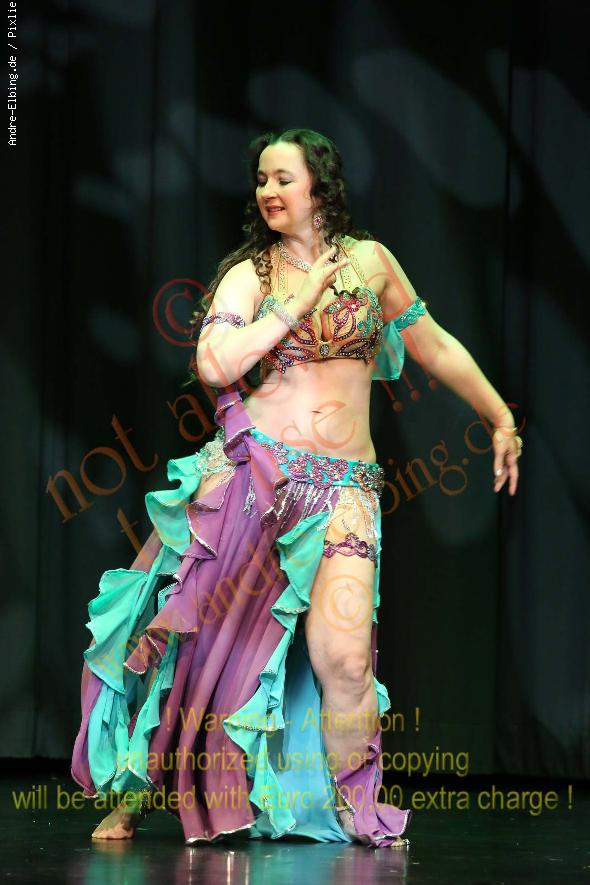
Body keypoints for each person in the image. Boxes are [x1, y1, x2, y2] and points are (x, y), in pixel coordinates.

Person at [71, 128, 522, 849]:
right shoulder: (252, 273)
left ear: (321, 184)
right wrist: (296, 301)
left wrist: (499, 417)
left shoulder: (372, 263)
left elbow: (432, 342)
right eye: (261, 180)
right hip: (257, 481)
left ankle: (357, 809)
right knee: (191, 647)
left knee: (346, 658)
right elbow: (214, 364)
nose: (268, 192)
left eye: (283, 178)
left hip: (346, 490)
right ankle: (134, 794)